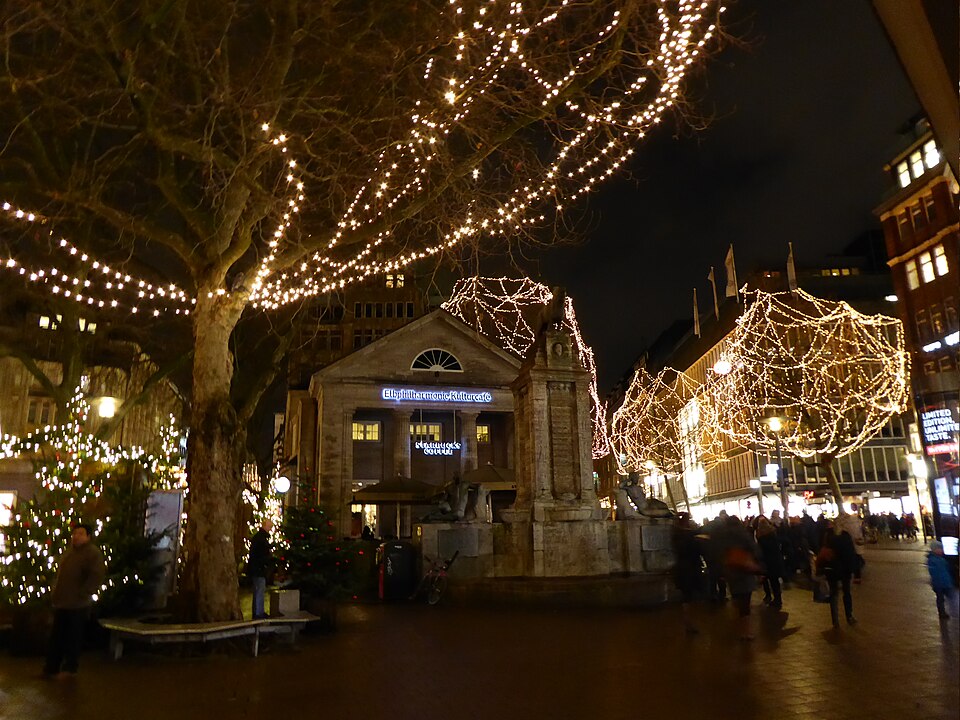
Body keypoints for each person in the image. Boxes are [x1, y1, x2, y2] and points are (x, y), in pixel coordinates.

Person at [44, 523, 106, 678]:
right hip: (62, 602)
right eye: (75, 533)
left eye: (80, 533)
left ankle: (70, 669)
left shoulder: (92, 554)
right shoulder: (69, 553)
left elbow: (96, 575)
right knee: (57, 637)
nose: (76, 536)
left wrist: (84, 592)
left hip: (78, 604)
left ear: (88, 537)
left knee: (73, 638)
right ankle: (51, 668)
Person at [817, 522, 858, 628]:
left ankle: (835, 620)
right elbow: (851, 554)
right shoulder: (845, 536)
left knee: (834, 594)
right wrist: (853, 570)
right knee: (846, 592)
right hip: (844, 569)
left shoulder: (828, 535)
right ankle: (849, 616)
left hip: (832, 569)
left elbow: (822, 550)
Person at [672, 512, 704, 634]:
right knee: (693, 597)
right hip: (692, 568)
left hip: (681, 568)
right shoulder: (690, 536)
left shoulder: (676, 535)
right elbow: (697, 550)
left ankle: (687, 622)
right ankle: (691, 622)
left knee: (686, 597)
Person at [755, 517, 784, 610]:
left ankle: (771, 597)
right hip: (775, 560)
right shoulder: (773, 533)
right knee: (774, 581)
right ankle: (778, 599)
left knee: (767, 580)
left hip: (766, 561)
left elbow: (761, 551)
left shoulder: (761, 537)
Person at [248, 519, 274, 619]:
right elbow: (262, 555)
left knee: (257, 591)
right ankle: (259, 613)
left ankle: (257, 611)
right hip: (259, 569)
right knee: (259, 590)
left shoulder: (258, 537)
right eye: (269, 527)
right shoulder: (261, 539)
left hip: (256, 568)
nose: (270, 529)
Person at [926, 540, 956, 619]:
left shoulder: (941, 559)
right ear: (934, 550)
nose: (941, 551)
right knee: (941, 599)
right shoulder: (933, 560)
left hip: (945, 582)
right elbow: (935, 573)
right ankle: (942, 613)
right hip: (938, 584)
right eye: (939, 549)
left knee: (948, 597)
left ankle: (946, 612)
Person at [837, 504, 865, 582]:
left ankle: (854, 576)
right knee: (857, 558)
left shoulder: (846, 523)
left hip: (850, 545)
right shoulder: (856, 520)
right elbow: (859, 532)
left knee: (852, 560)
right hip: (856, 543)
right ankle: (857, 575)